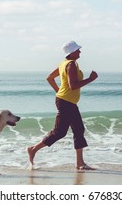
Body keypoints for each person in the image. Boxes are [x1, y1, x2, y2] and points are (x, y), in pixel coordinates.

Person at [27, 41, 98, 170]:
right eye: (78, 50)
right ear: (72, 52)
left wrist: (59, 91)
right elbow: (73, 86)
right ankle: (33, 149)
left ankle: (80, 163)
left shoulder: (65, 63)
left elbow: (50, 78)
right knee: (59, 132)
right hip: (66, 102)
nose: (80, 52)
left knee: (78, 130)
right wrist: (90, 79)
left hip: (66, 101)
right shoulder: (70, 65)